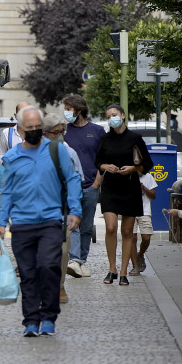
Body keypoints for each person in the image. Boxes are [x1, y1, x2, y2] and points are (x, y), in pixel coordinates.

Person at [0, 106, 81, 337]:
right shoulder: (12, 156)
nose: (34, 131)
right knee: (28, 272)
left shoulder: (56, 150)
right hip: (22, 224)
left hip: (51, 220)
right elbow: (8, 191)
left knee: (48, 266)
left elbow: (72, 179)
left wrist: (75, 209)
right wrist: (2, 222)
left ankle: (49, 316)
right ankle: (31, 321)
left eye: (37, 127)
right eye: (29, 128)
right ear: (21, 130)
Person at [96, 103, 153, 285]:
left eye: (114, 114)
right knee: (111, 228)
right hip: (110, 187)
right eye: (108, 116)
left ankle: (122, 272)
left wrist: (133, 168)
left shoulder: (135, 138)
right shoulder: (105, 139)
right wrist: (106, 167)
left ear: (122, 115)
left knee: (127, 231)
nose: (111, 118)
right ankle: (111, 268)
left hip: (130, 187)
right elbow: (98, 161)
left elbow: (148, 164)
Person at [42, 112, 84, 304]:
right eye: (55, 132)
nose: (59, 136)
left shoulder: (70, 153)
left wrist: (76, 210)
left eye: (61, 132)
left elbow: (77, 182)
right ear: (44, 133)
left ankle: (59, 286)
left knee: (62, 252)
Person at [63, 93, 105, 278]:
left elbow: (102, 158)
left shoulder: (97, 131)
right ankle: (74, 260)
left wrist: (97, 182)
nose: (66, 113)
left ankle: (82, 260)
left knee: (87, 226)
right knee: (72, 223)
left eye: (68, 109)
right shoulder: (64, 131)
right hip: (70, 186)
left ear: (79, 110)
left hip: (90, 185)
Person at [130, 173, 156, 275]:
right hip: (130, 211)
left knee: (146, 238)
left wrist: (144, 188)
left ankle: (140, 255)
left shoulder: (148, 177)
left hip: (144, 211)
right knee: (132, 238)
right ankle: (135, 266)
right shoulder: (128, 175)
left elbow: (153, 195)